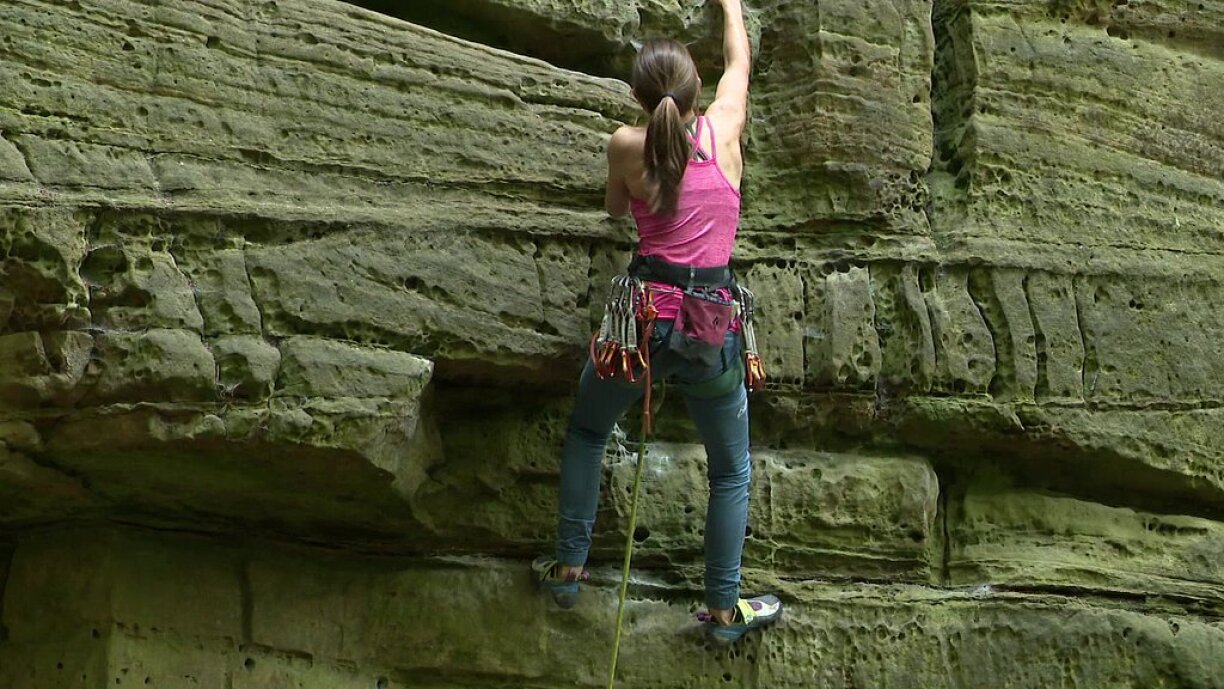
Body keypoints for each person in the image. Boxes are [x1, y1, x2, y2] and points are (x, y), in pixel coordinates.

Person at [533, 0, 781, 646]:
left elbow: (617, 212)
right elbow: (740, 64)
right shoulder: (724, 130)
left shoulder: (625, 145)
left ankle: (569, 568)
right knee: (730, 471)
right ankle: (723, 611)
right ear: (696, 89)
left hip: (638, 330)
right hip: (711, 330)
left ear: (639, 98)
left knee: (589, 430)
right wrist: (730, 5)